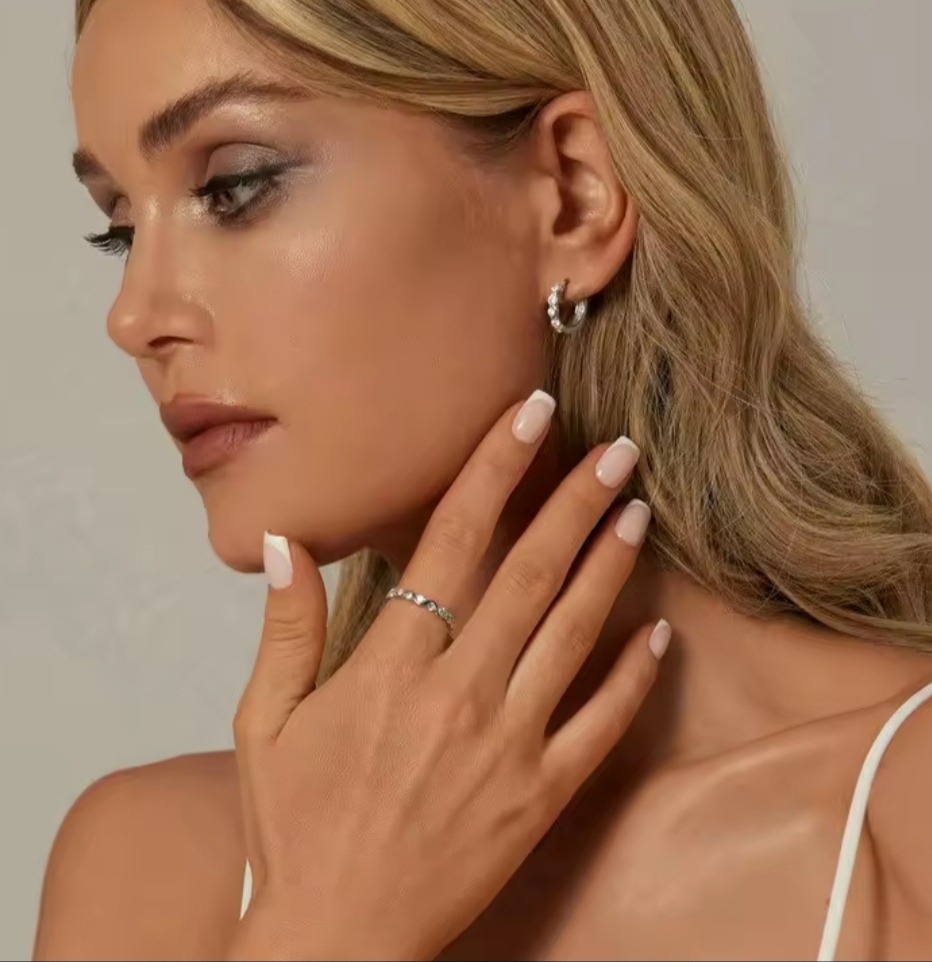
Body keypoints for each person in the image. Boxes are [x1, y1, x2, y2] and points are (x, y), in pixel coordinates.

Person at [31, 0, 932, 958]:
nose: (134, 317)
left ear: (574, 194)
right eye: (120, 227)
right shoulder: (149, 870)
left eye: (235, 186)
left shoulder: (904, 822)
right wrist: (324, 927)